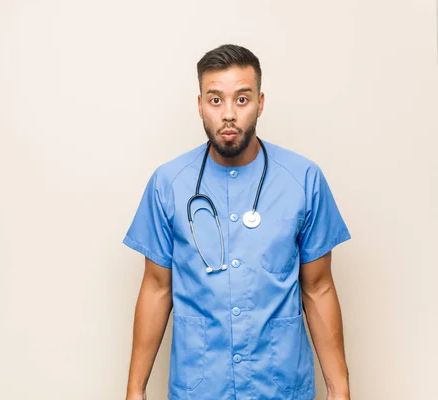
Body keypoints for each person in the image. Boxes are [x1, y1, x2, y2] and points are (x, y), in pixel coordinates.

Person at [122, 44, 352, 400]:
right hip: (200, 388)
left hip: (278, 387)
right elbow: (156, 288)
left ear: (260, 103)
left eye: (241, 100)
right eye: (216, 100)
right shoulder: (168, 183)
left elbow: (318, 288)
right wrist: (135, 390)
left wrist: (340, 390)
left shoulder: (303, 179)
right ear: (200, 105)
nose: (228, 114)